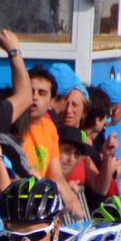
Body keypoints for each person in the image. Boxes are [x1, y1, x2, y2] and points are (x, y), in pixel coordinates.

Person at [23, 67, 86, 218]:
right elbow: (28, 172)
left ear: (52, 101)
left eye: (41, 93)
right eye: (31, 91)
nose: (34, 97)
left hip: (42, 205)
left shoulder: (50, 127)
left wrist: (72, 200)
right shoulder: (16, 126)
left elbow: (56, 176)